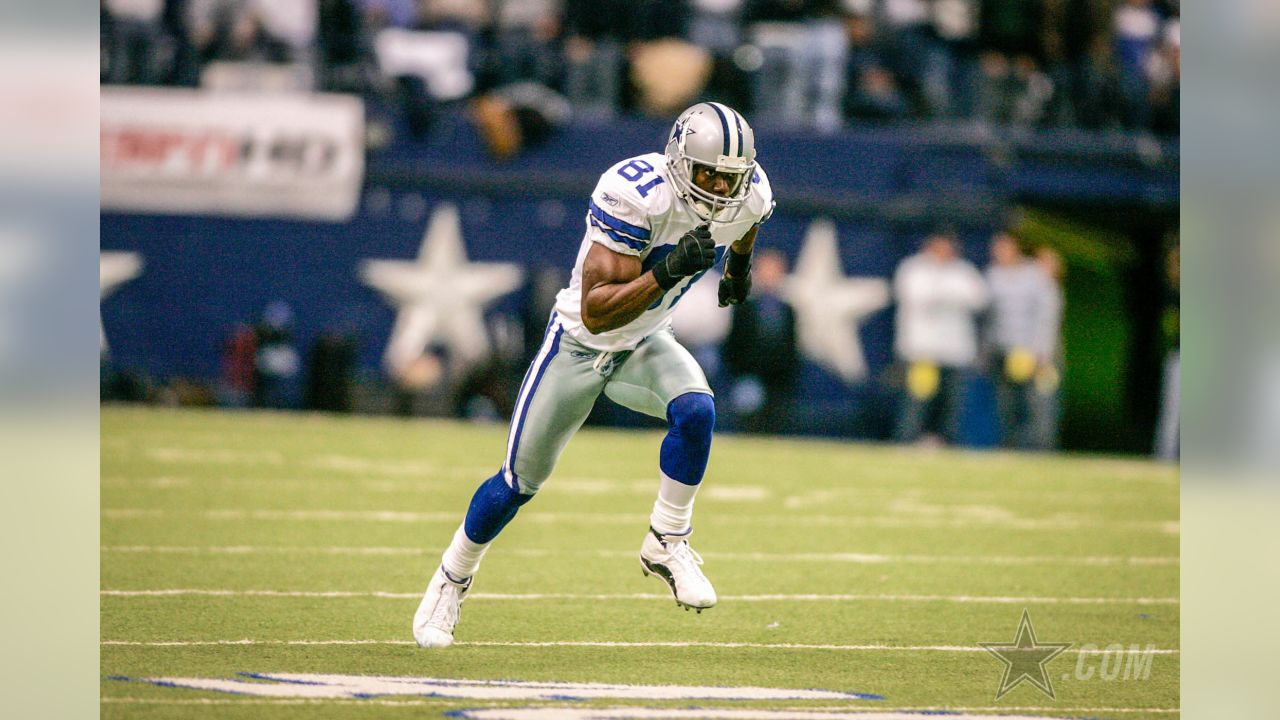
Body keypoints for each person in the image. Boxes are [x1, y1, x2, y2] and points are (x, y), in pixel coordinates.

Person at [413, 102, 775, 648]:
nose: (720, 190)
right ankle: (452, 577)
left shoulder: (749, 193)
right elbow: (596, 310)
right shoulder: (635, 192)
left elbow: (748, 220)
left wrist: (739, 265)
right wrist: (670, 269)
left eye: (730, 179)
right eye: (708, 175)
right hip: (579, 346)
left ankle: (667, 540)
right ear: (679, 160)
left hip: (647, 342)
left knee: (697, 409)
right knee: (517, 485)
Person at [892, 229, 988, 445]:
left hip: (955, 352)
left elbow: (980, 299)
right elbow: (916, 297)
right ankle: (907, 442)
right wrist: (951, 295)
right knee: (917, 401)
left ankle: (947, 444)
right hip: (921, 352)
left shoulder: (963, 270)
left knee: (952, 406)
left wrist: (944, 294)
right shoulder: (913, 268)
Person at [984, 232, 1058, 449]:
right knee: (1006, 404)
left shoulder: (1035, 274)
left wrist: (1041, 351)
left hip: (1029, 350)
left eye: (1004, 248)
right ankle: (1011, 445)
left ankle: (1039, 449)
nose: (999, 254)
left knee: (1035, 403)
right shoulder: (993, 275)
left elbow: (1046, 314)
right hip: (1002, 349)